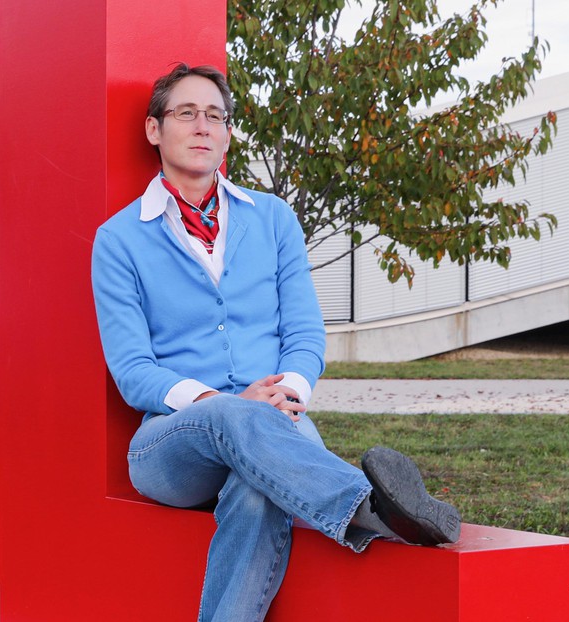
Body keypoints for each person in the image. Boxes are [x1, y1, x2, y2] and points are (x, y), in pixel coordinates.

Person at [91, 63, 460, 622]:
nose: (202, 126)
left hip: (278, 420)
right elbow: (132, 369)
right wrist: (229, 406)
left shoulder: (273, 220)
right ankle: (367, 507)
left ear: (229, 133)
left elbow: (305, 334)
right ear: (154, 129)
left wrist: (285, 393)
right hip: (170, 445)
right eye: (186, 113)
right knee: (234, 419)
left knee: (257, 492)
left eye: (215, 116)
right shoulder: (118, 239)